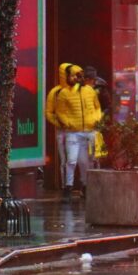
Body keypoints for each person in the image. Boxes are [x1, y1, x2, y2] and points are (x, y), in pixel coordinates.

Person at [53, 65, 102, 197]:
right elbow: (60, 111)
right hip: (73, 132)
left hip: (87, 131)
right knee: (72, 160)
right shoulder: (64, 93)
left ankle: (84, 186)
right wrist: (68, 123)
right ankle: (68, 187)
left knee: (84, 161)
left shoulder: (90, 91)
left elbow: (97, 107)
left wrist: (95, 119)